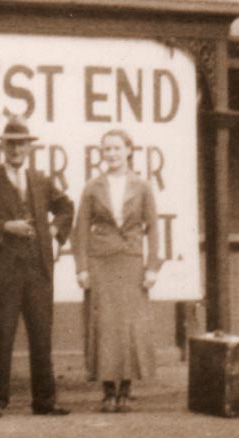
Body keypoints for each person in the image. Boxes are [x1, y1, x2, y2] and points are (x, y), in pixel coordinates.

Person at [0, 115, 74, 418]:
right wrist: (4, 227)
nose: (15, 150)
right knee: (0, 337)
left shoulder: (41, 181)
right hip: (0, 274)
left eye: (21, 144)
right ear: (2, 147)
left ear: (28, 147)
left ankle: (45, 401)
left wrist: (54, 232)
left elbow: (66, 208)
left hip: (37, 271)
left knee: (41, 337)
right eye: (10, 144)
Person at [72, 129, 161, 413]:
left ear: (128, 151)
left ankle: (126, 388)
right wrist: (82, 268)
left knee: (129, 326)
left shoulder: (142, 186)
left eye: (116, 148)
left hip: (131, 261)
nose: (111, 154)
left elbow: (154, 227)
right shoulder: (92, 187)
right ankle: (108, 390)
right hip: (102, 261)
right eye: (106, 149)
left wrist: (152, 267)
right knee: (106, 325)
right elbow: (81, 230)